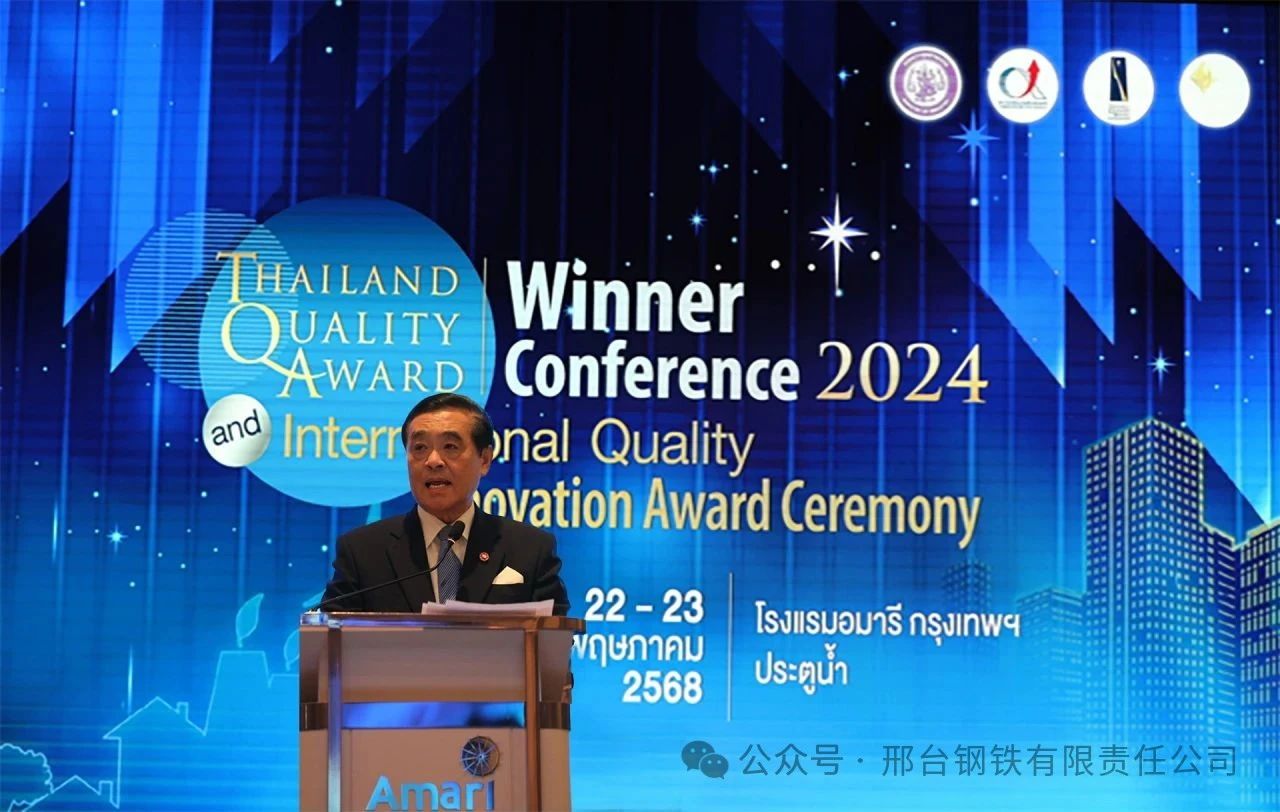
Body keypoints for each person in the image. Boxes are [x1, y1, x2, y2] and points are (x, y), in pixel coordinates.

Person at [320, 393, 570, 615]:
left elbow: (554, 643)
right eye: (419, 447)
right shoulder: (363, 552)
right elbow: (331, 640)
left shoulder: (529, 549)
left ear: (484, 460)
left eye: (450, 446)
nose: (433, 461)